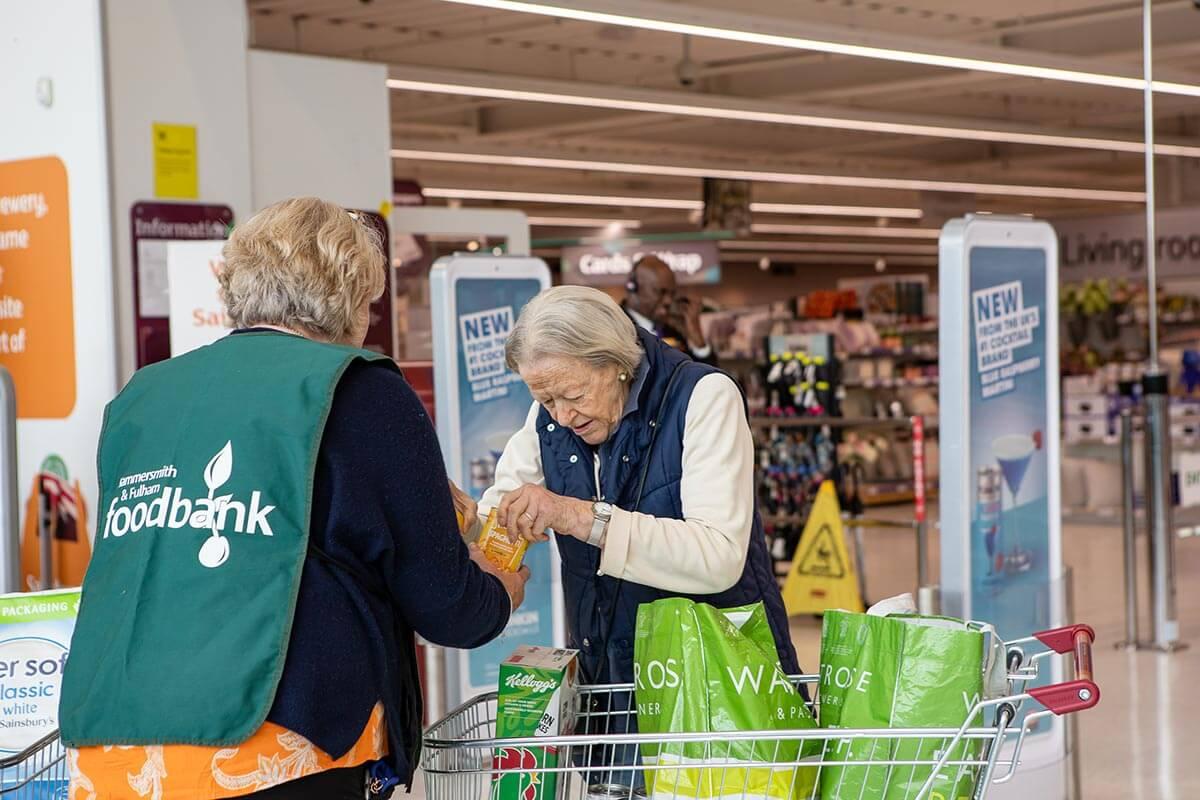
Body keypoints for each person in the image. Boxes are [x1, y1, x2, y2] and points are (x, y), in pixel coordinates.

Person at [60, 197, 528, 800]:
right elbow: (446, 605)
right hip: (274, 748)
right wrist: (497, 591)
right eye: (368, 301)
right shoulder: (360, 388)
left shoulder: (144, 395)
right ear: (347, 294)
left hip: (114, 745)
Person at [455, 285, 797, 691]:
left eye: (573, 395)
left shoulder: (704, 397)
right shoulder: (547, 419)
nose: (562, 416)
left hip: (718, 685)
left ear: (615, 363)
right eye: (546, 400)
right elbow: (503, 512)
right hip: (609, 681)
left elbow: (718, 556)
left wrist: (577, 516)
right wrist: (464, 525)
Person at [623, 254, 717, 366]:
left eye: (672, 294)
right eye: (661, 292)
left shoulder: (672, 331)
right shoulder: (614, 329)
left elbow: (707, 376)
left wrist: (698, 341)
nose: (668, 301)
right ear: (632, 287)